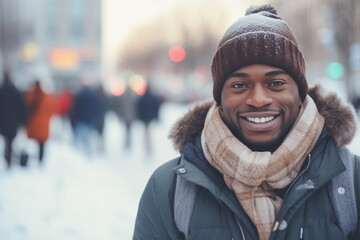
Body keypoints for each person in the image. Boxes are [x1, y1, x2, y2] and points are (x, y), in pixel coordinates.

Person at [133, 4, 360, 240]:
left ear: (300, 95)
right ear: (220, 99)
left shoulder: (352, 183)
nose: (258, 100)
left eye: (276, 84)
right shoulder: (168, 190)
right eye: (239, 86)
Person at [0, 70, 26, 168]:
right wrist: (22, 120)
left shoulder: (1, 90)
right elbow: (21, 106)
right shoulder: (15, 90)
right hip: (13, 121)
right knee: (10, 140)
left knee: (7, 140)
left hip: (3, 121)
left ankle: (7, 156)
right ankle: (8, 157)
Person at [25, 80, 54, 164]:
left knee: (30, 143)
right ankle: (40, 160)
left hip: (33, 124)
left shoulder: (30, 95)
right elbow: (51, 110)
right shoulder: (47, 97)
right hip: (43, 125)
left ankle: (29, 159)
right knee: (41, 144)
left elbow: (26, 108)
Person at [136, 84, 162, 154]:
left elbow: (139, 108)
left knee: (146, 133)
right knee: (149, 133)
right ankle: (149, 148)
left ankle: (147, 148)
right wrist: (157, 117)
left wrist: (139, 117)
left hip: (144, 118)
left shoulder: (142, 98)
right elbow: (156, 108)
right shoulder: (153, 97)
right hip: (150, 118)